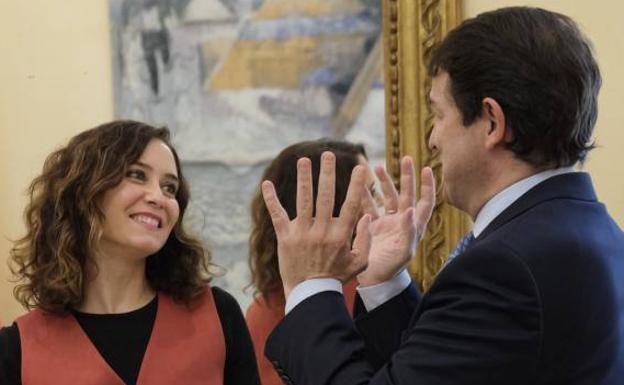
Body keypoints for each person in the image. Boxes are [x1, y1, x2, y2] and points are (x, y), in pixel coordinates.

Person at [259, 6, 624, 385]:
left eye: (438, 114)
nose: (433, 139)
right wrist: (386, 285)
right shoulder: (591, 231)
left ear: (492, 123)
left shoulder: (506, 267)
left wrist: (311, 284)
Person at [0, 120, 260, 385]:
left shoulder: (218, 315)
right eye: (137, 175)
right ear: (82, 193)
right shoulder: (17, 350)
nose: (159, 197)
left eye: (169, 187)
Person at [246, 139, 378, 385]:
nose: (376, 209)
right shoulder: (266, 312)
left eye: (374, 194)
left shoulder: (375, 289)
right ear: (333, 203)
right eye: (368, 195)